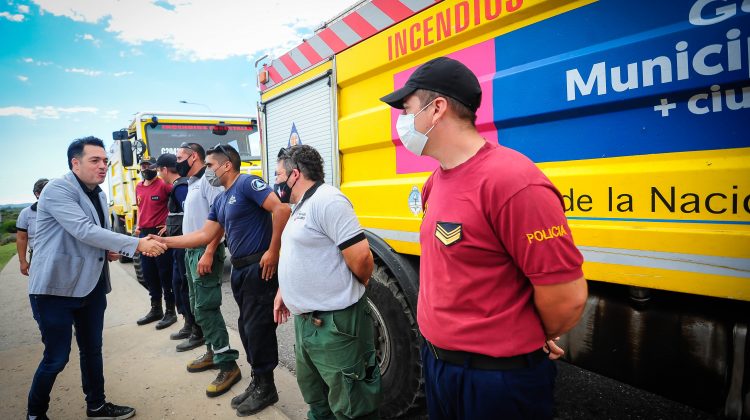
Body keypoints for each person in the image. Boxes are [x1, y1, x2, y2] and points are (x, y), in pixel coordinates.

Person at [380, 57, 588, 419]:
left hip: (497, 381)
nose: (402, 121)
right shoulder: (436, 181)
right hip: (440, 366)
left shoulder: (513, 181)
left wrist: (526, 332)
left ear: (436, 109)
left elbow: (566, 298)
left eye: (408, 109)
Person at [27, 136, 167, 420]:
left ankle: (97, 406)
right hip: (56, 290)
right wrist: (136, 244)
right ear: (75, 163)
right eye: (95, 160)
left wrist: (109, 250)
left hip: (90, 287)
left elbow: (95, 235)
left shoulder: (99, 193)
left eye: (105, 160)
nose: (103, 166)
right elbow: (83, 230)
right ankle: (35, 414)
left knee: (92, 350)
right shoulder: (57, 190)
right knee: (56, 357)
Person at [154, 144, 291, 416]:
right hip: (239, 270)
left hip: (258, 267)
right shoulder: (221, 199)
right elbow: (205, 235)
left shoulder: (248, 183)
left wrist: (273, 251)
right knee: (246, 328)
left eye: (210, 166)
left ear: (226, 165)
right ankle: (258, 381)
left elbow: (281, 210)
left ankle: (267, 387)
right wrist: (164, 241)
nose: (207, 171)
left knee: (258, 329)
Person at [273, 145, 381, 420]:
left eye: (278, 175)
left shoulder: (328, 200)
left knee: (351, 405)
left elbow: (362, 259)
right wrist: (284, 290)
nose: (275, 182)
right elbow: (302, 255)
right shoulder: (301, 206)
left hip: (334, 325)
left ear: (295, 174)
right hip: (306, 323)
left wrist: (348, 291)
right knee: (317, 400)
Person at [171, 142, 239, 397]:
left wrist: (210, 251)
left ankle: (228, 365)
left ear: (193, 157)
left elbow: (220, 220)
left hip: (204, 252)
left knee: (207, 308)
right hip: (191, 252)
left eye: (180, 156)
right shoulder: (191, 183)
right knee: (196, 305)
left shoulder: (210, 183)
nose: (177, 160)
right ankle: (213, 352)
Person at [152, 153, 195, 341]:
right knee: (178, 284)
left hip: (183, 245)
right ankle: (188, 324)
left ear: (163, 169)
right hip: (178, 243)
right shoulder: (179, 186)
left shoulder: (180, 187)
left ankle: (194, 327)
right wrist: (169, 227)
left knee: (184, 285)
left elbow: (190, 215)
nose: (157, 173)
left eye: (157, 169)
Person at [134, 157, 176, 329]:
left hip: (159, 234)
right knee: (149, 274)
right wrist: (138, 225)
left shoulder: (164, 185)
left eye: (149, 166)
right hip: (144, 234)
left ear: (155, 168)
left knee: (165, 274)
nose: (146, 168)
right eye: (143, 166)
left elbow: (177, 204)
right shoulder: (138, 186)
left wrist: (168, 224)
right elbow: (140, 208)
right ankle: (155, 309)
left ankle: (170, 312)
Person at [16, 178, 48, 276]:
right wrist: (22, 261)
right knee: (39, 288)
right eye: (45, 191)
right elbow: (22, 238)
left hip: (62, 254)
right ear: (37, 194)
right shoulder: (26, 213)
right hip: (37, 255)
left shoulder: (63, 210)